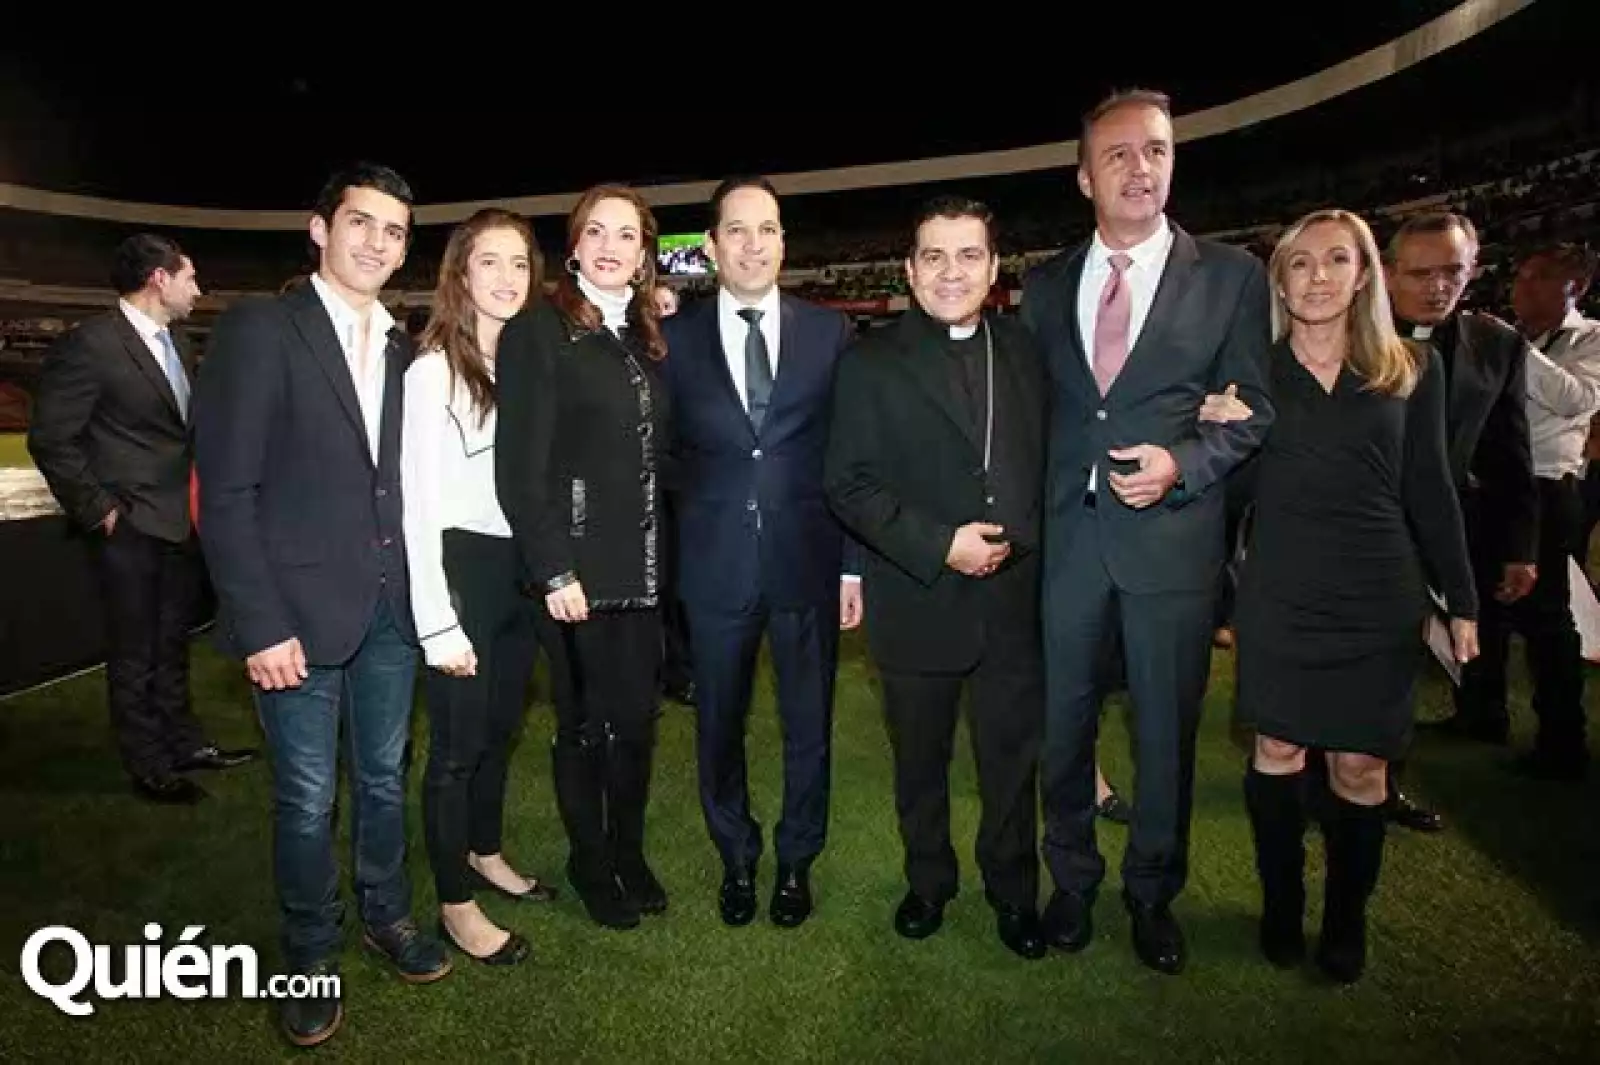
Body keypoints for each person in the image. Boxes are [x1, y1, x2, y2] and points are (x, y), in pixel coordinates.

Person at [193, 163, 450, 1049]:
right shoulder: (262, 328)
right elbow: (223, 492)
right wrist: (260, 622)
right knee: (306, 801)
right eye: (362, 223)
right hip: (294, 619)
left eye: (395, 231)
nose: (378, 242)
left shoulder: (405, 347)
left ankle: (388, 913)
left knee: (384, 780)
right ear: (318, 228)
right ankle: (309, 950)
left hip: (388, 612)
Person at [1021, 88, 1274, 975]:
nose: (1141, 167)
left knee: (1165, 732)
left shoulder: (1235, 276)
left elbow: (1251, 412)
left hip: (1173, 545)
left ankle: (1152, 893)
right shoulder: (1046, 284)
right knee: (1064, 725)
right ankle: (1074, 881)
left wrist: (1185, 463)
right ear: (1085, 173)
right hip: (1067, 547)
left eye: (1157, 150)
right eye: (1120, 154)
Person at [1228, 208, 1478, 983]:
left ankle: (1345, 922)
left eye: (1337, 259)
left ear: (1365, 273)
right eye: (1299, 264)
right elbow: (1226, 499)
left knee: (1361, 770)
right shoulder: (1248, 375)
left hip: (1379, 598)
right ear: (1280, 280)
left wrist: (1462, 599)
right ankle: (1280, 906)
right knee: (1277, 749)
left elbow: (1432, 492)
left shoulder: (1410, 369)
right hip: (1279, 594)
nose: (1318, 277)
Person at [826, 195, 1046, 958]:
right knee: (921, 765)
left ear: (993, 267)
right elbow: (846, 483)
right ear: (911, 270)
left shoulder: (1024, 350)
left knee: (1012, 766)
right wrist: (938, 544)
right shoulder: (869, 359)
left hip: (1014, 604)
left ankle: (1015, 892)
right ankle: (929, 882)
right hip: (918, 597)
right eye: (935, 256)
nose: (952, 271)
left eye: (968, 255)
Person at [662, 175, 862, 928]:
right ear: (711, 246)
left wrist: (851, 564)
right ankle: (737, 854)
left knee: (809, 723)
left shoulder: (828, 331)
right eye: (737, 230)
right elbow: (663, 453)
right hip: (713, 568)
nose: (753, 244)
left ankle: (796, 859)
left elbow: (849, 457)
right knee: (718, 723)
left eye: (768, 229)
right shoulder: (673, 338)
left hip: (808, 560)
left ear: (784, 240)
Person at [495, 183, 672, 931]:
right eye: (595, 231)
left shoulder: (645, 334)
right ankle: (590, 860)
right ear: (573, 244)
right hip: (574, 576)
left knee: (635, 724)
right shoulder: (538, 329)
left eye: (625, 235)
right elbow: (519, 466)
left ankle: (627, 851)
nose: (609, 245)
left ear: (643, 253)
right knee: (584, 726)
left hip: (644, 570)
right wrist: (553, 567)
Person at [29, 234, 255, 804]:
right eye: (190, 278)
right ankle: (148, 763)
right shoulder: (93, 344)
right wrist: (100, 509)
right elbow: (51, 438)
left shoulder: (177, 341)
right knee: (135, 651)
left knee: (172, 643)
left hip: (180, 522)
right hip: (128, 526)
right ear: (159, 279)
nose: (197, 290)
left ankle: (184, 742)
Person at [402, 209, 567, 969]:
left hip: (519, 574)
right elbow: (416, 503)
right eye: (489, 262)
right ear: (460, 274)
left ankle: (484, 850)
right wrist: (437, 620)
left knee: (501, 730)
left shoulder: (529, 366)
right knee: (457, 750)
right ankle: (454, 903)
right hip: (461, 571)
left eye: (519, 264)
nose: (506, 277)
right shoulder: (433, 369)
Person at [1386, 212, 1538, 827]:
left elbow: (1511, 452)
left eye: (1452, 271)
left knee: (1405, 671)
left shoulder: (1498, 345)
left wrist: (1520, 547)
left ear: (1472, 270)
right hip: (1371, 533)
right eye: (1420, 273)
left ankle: (1379, 785)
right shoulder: (1348, 337)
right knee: (1380, 663)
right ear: (1389, 273)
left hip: (1454, 528)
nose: (1437, 286)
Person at [1494, 243, 1600, 780]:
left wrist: (1515, 350)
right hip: (1495, 482)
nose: (1521, 286)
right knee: (1487, 604)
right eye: (1520, 275)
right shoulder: (1507, 338)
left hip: (1547, 488)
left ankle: (1563, 739)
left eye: (1539, 277)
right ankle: (1481, 713)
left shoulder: (1592, 338)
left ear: (1574, 287)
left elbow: (1576, 399)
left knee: (1547, 616)